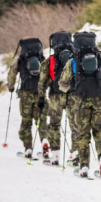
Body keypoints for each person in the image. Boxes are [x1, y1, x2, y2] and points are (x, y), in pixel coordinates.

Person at [58, 31, 101, 178]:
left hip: (80, 99)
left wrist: (70, 89)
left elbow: (62, 82)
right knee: (99, 130)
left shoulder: (73, 59)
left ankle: (84, 166)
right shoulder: (100, 56)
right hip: (98, 97)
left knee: (83, 133)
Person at [37, 31, 74, 166]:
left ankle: (56, 155)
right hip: (72, 95)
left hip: (55, 96)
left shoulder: (50, 61)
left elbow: (42, 82)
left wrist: (41, 98)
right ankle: (75, 155)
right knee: (75, 125)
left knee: (54, 125)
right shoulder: (75, 58)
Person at [7, 37, 44, 159]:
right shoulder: (41, 59)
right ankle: (46, 145)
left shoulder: (20, 60)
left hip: (25, 96)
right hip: (40, 95)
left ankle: (28, 148)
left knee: (26, 122)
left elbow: (12, 74)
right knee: (41, 122)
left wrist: (11, 87)